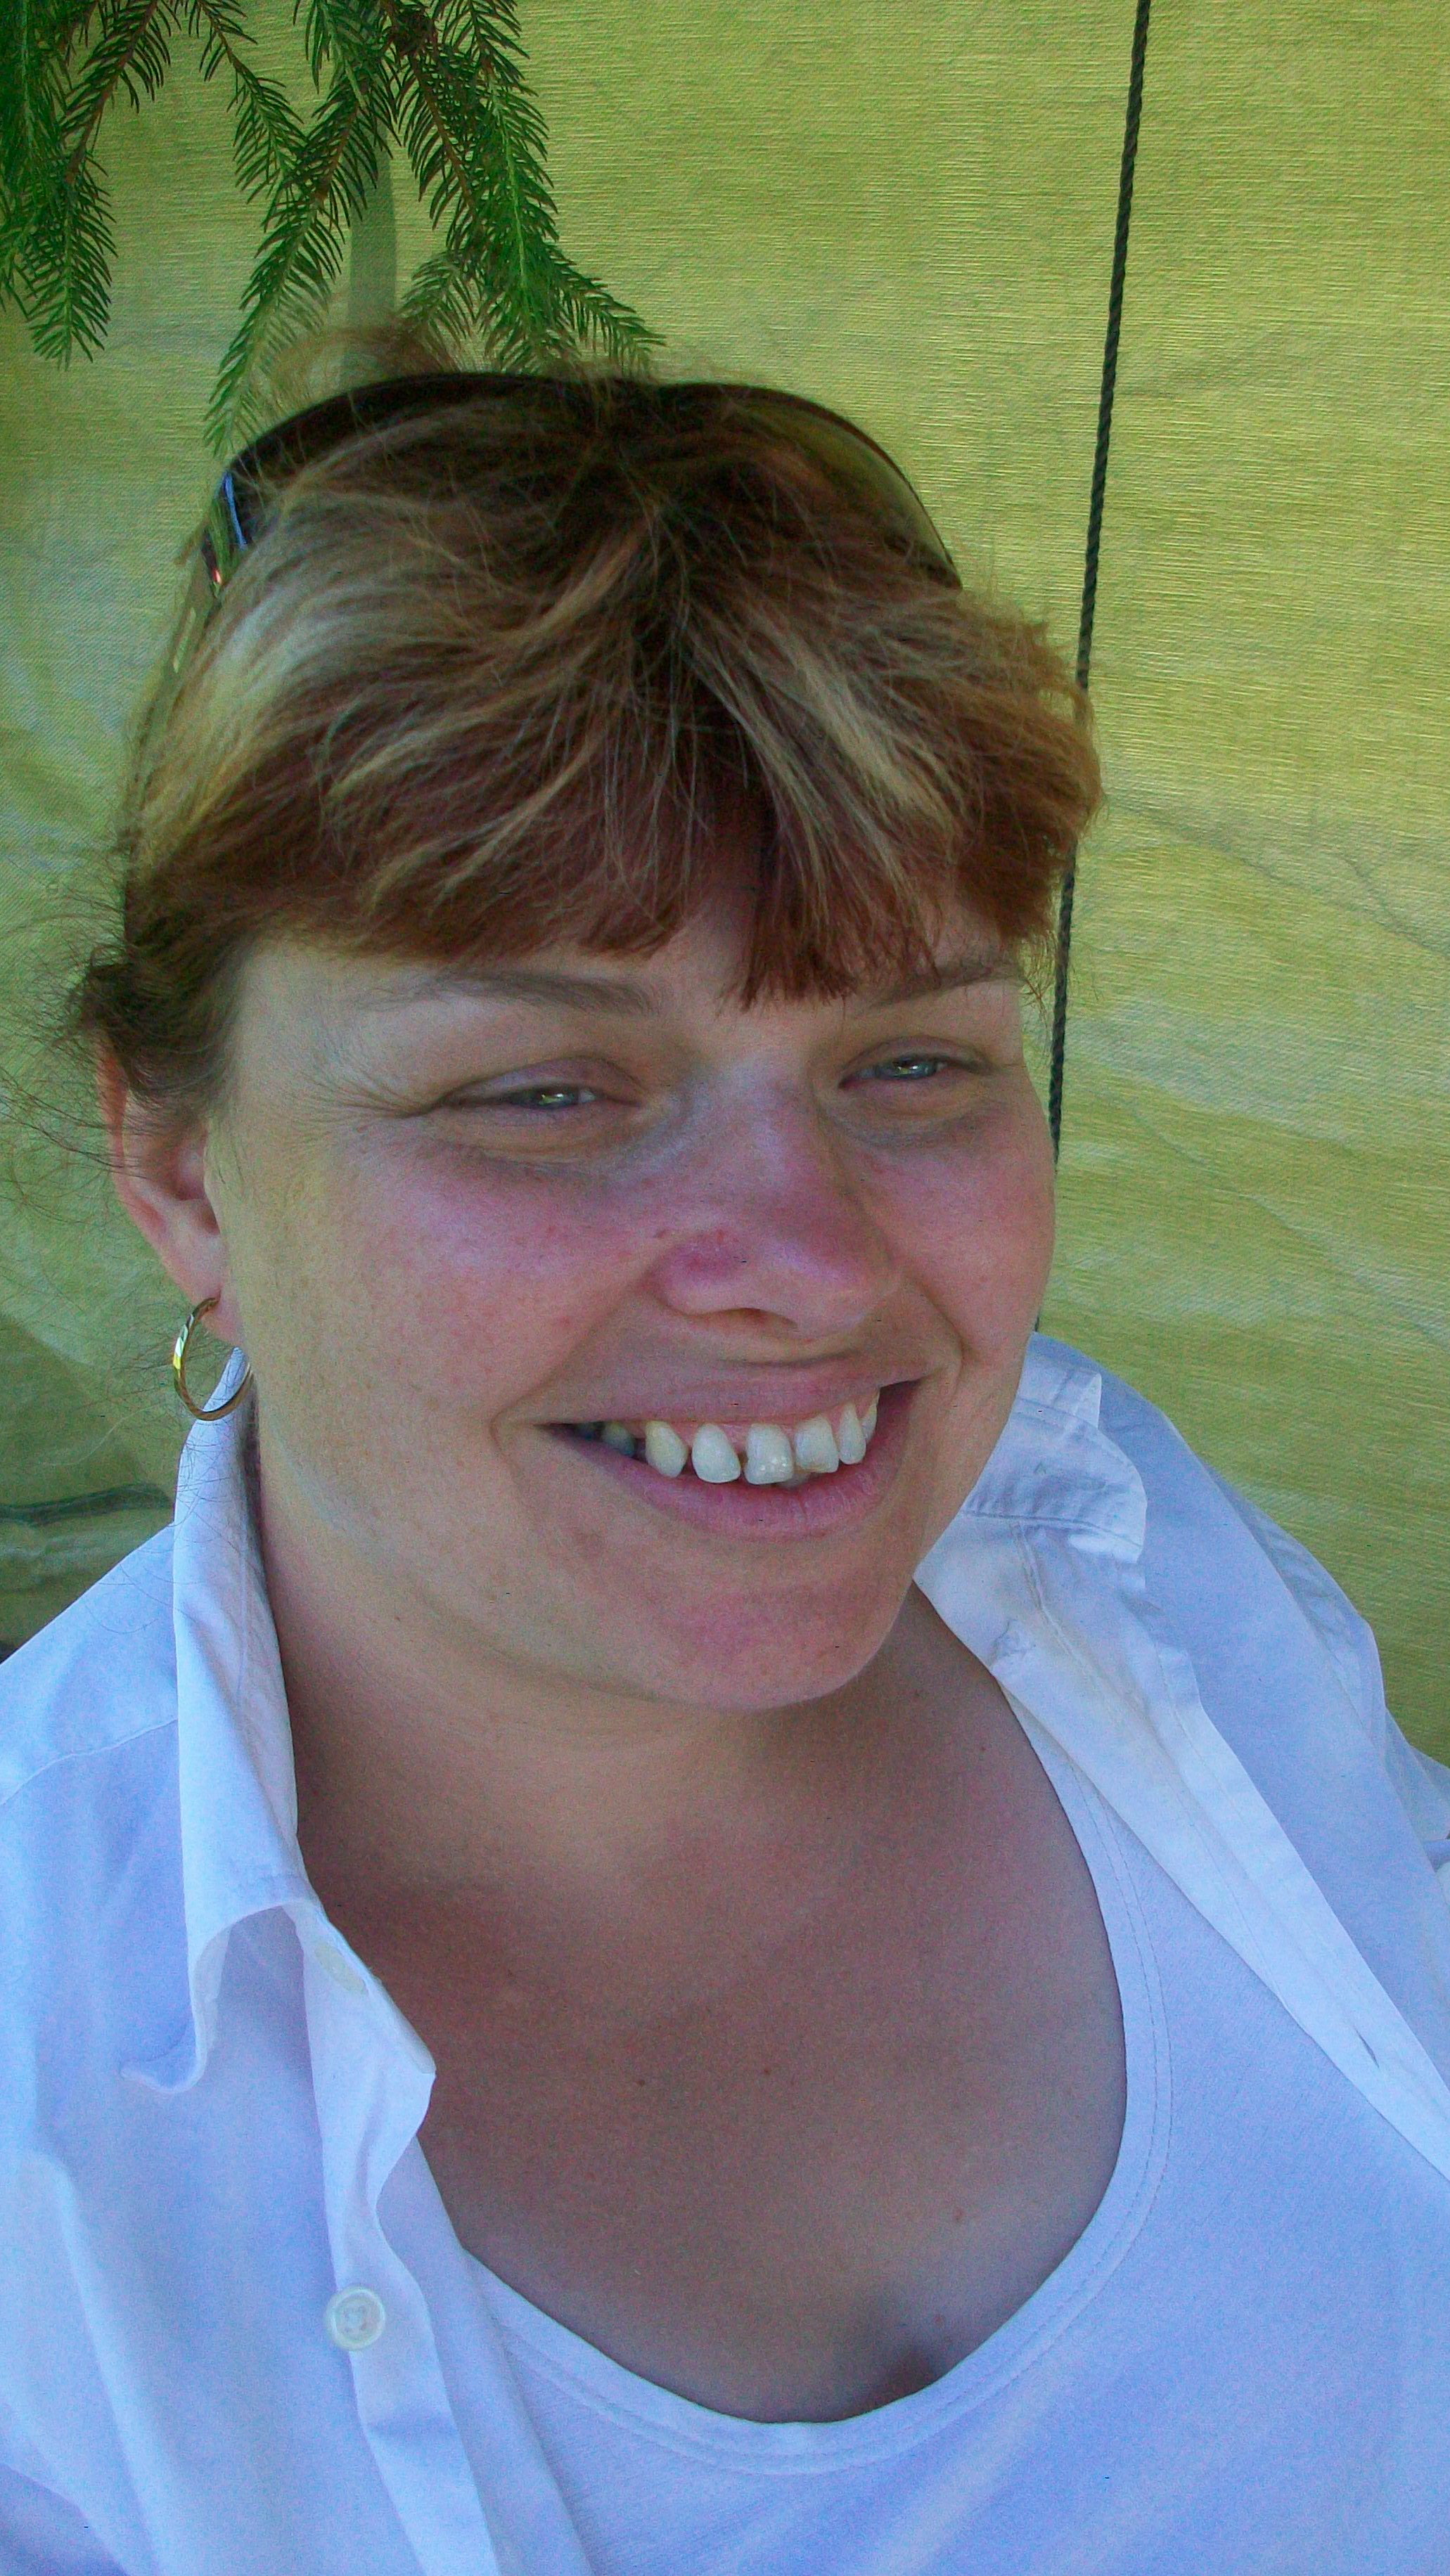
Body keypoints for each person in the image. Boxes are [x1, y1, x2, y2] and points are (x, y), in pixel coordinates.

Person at [3, 363, 1450, 2576]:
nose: (812, 1263)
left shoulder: (1117, 1541)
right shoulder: (48, 2097)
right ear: (180, 1168)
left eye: (911, 1060)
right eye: (545, 1090)